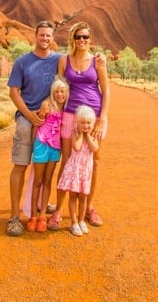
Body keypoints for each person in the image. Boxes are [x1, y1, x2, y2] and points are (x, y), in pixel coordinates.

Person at [48, 21, 110, 231]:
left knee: (94, 161)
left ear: (90, 39)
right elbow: (60, 87)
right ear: (73, 39)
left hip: (93, 117)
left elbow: (106, 91)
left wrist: (102, 118)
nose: (82, 40)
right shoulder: (65, 61)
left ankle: (89, 207)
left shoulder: (98, 61)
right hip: (70, 115)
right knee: (67, 161)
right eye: (78, 37)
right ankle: (58, 210)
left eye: (86, 37)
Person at [6, 21, 61, 237]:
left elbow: (76, 65)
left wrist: (100, 60)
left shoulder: (58, 60)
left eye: (48, 36)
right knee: (20, 164)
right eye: (42, 35)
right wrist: (29, 115)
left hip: (50, 123)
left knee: (45, 169)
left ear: (52, 38)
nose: (45, 39)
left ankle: (39, 204)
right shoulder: (22, 62)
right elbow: (14, 92)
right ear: (35, 36)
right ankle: (14, 216)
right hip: (27, 120)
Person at [25, 77, 68, 233]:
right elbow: (37, 124)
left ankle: (43, 216)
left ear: (67, 93)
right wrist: (33, 146)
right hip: (41, 145)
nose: (60, 94)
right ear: (53, 92)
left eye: (62, 91)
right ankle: (33, 216)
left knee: (48, 181)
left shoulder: (66, 109)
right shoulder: (47, 105)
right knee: (38, 180)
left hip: (55, 148)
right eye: (57, 91)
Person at [56, 105, 99, 236]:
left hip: (85, 171)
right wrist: (81, 135)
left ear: (93, 123)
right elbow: (77, 147)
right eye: (82, 123)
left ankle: (81, 221)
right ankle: (74, 223)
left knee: (83, 197)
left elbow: (94, 149)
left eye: (88, 123)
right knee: (73, 196)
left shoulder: (93, 136)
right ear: (77, 123)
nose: (85, 126)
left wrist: (88, 136)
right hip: (75, 170)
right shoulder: (75, 133)